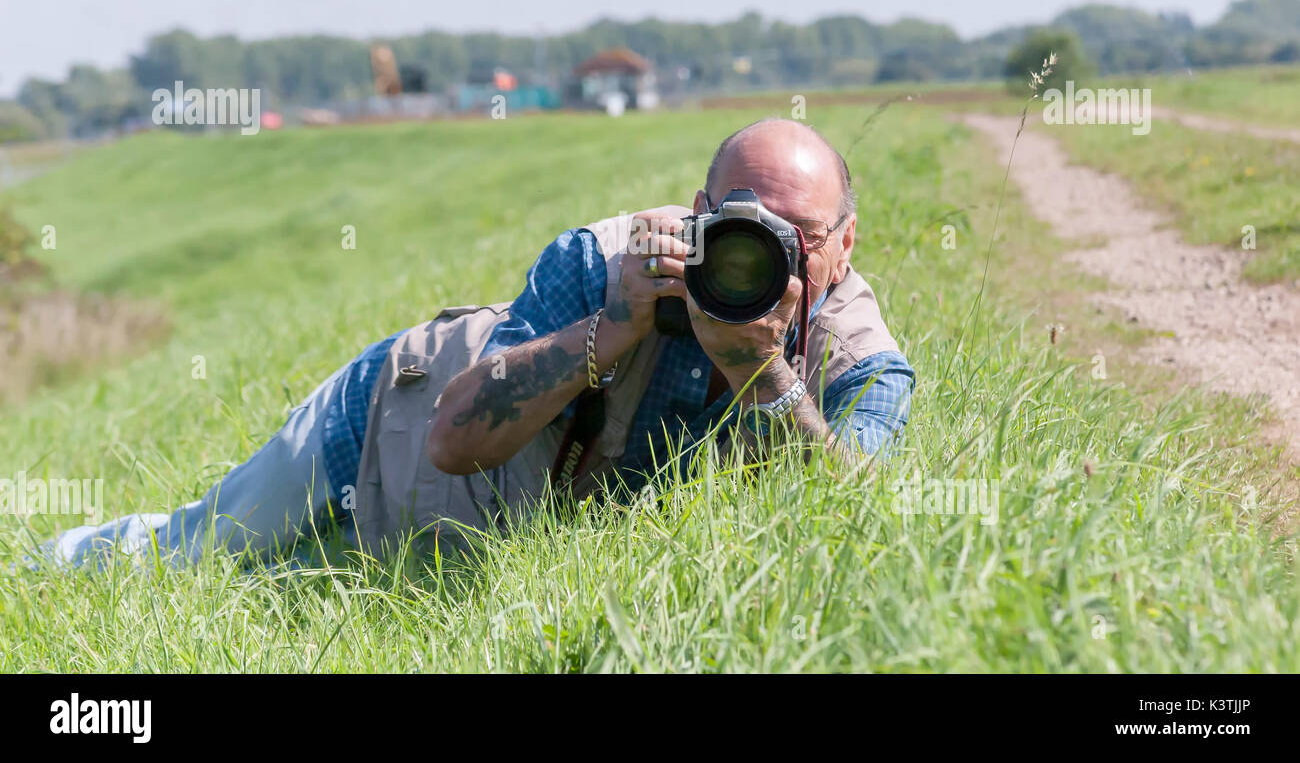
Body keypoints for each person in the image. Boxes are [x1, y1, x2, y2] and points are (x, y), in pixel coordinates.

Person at [39, 118, 914, 567]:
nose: (755, 250)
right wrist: (621, 324)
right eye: (737, 221)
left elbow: (851, 515)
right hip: (382, 419)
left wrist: (761, 365)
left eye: (795, 232)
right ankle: (52, 562)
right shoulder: (609, 267)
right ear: (698, 208)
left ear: (845, 244)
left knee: (290, 579)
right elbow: (454, 440)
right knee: (201, 550)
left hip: (462, 533)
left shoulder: (861, 360)